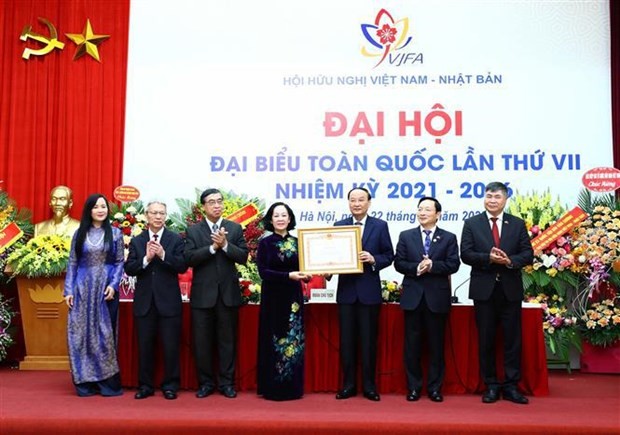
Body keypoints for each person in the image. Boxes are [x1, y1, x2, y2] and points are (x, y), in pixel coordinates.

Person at [460, 182, 533, 405]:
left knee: (512, 340)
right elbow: (466, 254)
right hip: (484, 290)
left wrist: (510, 261)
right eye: (488, 196)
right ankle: (491, 385)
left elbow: (528, 253)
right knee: (486, 339)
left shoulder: (517, 224)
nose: (492, 200)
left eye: (497, 197)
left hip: (510, 290)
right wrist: (488, 258)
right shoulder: (472, 223)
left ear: (505, 199)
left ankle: (511, 385)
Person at [394, 197, 460, 403]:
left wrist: (433, 266)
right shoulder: (406, 236)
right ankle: (413, 388)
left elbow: (453, 264)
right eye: (420, 209)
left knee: (436, 347)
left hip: (436, 298)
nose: (422, 213)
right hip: (413, 297)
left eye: (427, 210)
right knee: (412, 346)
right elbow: (399, 263)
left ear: (438, 214)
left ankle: (434, 388)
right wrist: (416, 268)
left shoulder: (448, 237)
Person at [185, 188, 249, 399]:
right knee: (202, 342)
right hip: (203, 296)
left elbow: (242, 256)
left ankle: (227, 383)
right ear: (203, 206)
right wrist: (213, 247)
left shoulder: (234, 227)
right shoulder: (194, 230)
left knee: (227, 341)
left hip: (227, 295)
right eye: (211, 202)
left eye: (219, 201)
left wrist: (225, 245)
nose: (216, 205)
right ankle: (205, 383)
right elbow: (189, 259)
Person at [333, 187, 394, 402]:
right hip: (347, 293)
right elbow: (331, 256)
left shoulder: (380, 226)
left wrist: (374, 259)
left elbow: (389, 255)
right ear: (348, 203)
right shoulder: (339, 226)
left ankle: (369, 386)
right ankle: (348, 385)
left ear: (369, 202)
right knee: (347, 342)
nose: (356, 204)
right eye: (352, 200)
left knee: (369, 342)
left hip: (369, 292)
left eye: (361, 200)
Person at [124, 201, 188, 400]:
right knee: (145, 346)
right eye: (154, 213)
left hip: (169, 302)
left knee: (170, 346)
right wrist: (147, 258)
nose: (158, 216)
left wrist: (162, 254)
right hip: (145, 303)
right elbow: (130, 268)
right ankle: (145, 386)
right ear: (147, 216)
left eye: (162, 213)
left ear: (166, 216)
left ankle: (170, 385)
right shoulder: (137, 240)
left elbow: (182, 266)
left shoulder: (175, 239)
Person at [63, 193, 124, 397]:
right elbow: (72, 262)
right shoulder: (79, 233)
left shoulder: (115, 233)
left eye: (104, 207)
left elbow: (119, 262)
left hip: (105, 290)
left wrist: (114, 285)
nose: (101, 210)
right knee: (81, 334)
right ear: (89, 210)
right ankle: (84, 383)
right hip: (82, 289)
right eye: (96, 207)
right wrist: (68, 290)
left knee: (104, 335)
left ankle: (107, 383)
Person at [256, 202, 310, 401]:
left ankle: (292, 388)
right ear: (271, 220)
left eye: (283, 215)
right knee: (273, 340)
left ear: (290, 219)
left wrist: (307, 275)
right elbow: (263, 272)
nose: (280, 218)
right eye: (276, 215)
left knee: (293, 340)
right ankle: (272, 388)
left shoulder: (299, 242)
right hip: (272, 298)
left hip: (293, 298)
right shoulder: (265, 243)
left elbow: (305, 267)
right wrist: (289, 275)